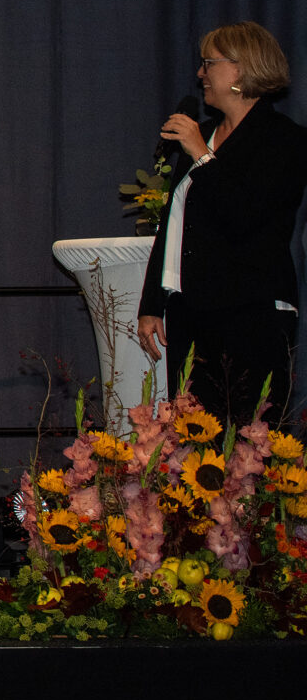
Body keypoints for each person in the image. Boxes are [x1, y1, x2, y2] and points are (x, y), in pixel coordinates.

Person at [138, 23, 307, 427]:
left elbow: (246, 218)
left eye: (208, 63)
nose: (200, 74)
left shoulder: (284, 140)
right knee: (193, 450)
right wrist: (153, 304)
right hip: (191, 315)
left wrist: (201, 155)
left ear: (240, 70)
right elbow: (174, 226)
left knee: (247, 452)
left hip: (252, 317)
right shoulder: (206, 135)